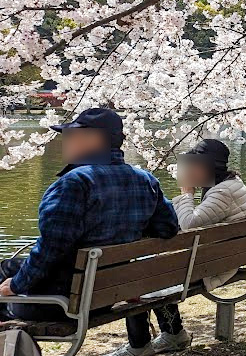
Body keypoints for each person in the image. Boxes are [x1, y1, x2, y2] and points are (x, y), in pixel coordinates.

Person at [0, 109, 179, 322]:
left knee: (6, 274)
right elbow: (168, 228)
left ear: (93, 139)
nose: (64, 143)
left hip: (64, 302)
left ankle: (19, 353)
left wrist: (16, 285)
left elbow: (51, 249)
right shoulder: (146, 180)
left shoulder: (74, 183)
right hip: (105, 296)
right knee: (10, 267)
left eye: (70, 136)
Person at [101, 138, 246, 356]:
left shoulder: (222, 192)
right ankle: (173, 333)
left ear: (208, 167)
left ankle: (139, 344)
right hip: (224, 257)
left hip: (216, 266)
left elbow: (187, 224)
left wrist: (186, 193)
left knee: (136, 274)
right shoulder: (230, 184)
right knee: (154, 267)